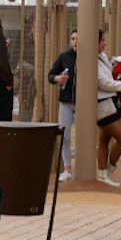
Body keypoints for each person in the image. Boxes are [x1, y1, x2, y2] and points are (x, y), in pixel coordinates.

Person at [95, 29, 121, 187]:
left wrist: (115, 63)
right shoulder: (91, 60)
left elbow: (108, 76)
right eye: (102, 40)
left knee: (104, 140)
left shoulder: (101, 57)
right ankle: (109, 170)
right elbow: (104, 83)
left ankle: (103, 174)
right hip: (103, 105)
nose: (104, 43)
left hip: (109, 102)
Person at [47, 31, 78, 182]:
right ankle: (67, 169)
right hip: (66, 103)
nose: (75, 42)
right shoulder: (64, 57)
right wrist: (57, 78)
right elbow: (50, 76)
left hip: (83, 105)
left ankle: (84, 168)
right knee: (65, 136)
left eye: (78, 39)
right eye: (72, 38)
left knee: (83, 137)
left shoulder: (90, 57)